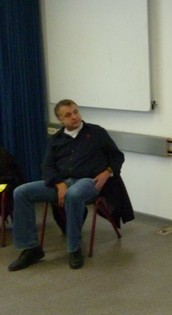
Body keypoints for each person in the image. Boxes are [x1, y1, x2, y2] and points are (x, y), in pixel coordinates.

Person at [9, 99, 125, 271]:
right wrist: (58, 184)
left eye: (76, 112)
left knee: (74, 194)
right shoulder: (56, 140)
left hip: (89, 181)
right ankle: (31, 249)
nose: (74, 117)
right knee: (21, 192)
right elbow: (47, 167)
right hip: (61, 182)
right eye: (68, 115)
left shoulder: (96, 132)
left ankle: (74, 248)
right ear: (60, 120)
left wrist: (107, 171)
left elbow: (117, 156)